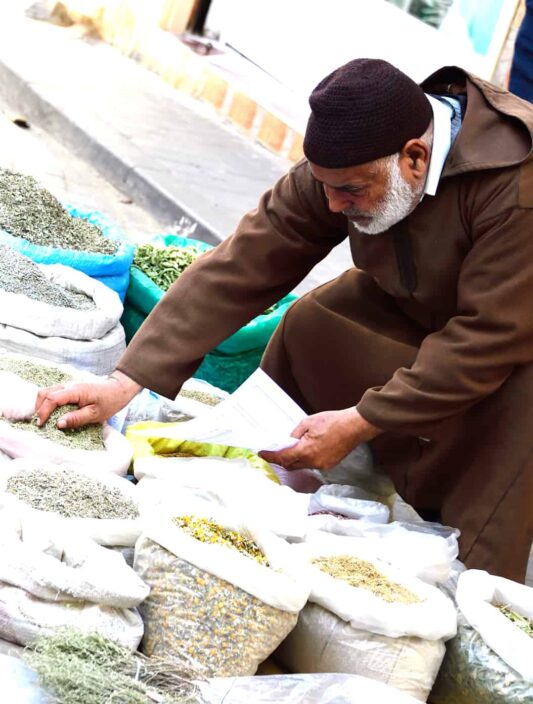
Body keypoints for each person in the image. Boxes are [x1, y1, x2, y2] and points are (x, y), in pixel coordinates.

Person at [36, 59, 533, 582]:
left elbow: (487, 338)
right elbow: (249, 257)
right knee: (315, 322)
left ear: (415, 158)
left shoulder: (514, 189)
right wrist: (126, 380)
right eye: (325, 188)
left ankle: (460, 595)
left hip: (513, 348)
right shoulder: (354, 159)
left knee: (485, 511)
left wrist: (361, 419)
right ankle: (285, 490)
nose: (333, 205)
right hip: (425, 311)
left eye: (351, 193)